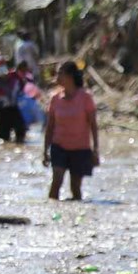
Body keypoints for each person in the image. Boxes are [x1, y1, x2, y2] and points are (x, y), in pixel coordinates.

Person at [42, 60, 99, 201]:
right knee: (57, 182)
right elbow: (50, 126)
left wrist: (95, 150)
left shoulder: (85, 98)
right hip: (58, 146)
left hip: (80, 149)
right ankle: (51, 212)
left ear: (70, 76)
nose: (57, 77)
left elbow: (93, 125)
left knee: (75, 188)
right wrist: (45, 150)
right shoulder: (55, 98)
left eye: (60, 73)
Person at [0, 57, 28, 143]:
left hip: (16, 109)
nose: (0, 70)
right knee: (4, 139)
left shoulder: (15, 76)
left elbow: (23, 86)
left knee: (20, 133)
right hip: (1, 112)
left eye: (1, 66)